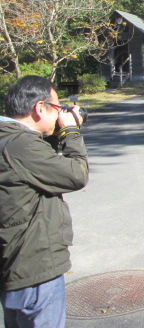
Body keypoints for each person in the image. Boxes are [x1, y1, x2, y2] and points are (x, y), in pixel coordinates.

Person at [0, 75, 89, 327]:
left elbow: (36, 167)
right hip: (34, 267)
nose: (61, 114)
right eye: (58, 107)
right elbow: (76, 175)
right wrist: (71, 131)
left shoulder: (8, 139)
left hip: (14, 264)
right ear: (40, 108)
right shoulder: (20, 145)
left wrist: (55, 132)